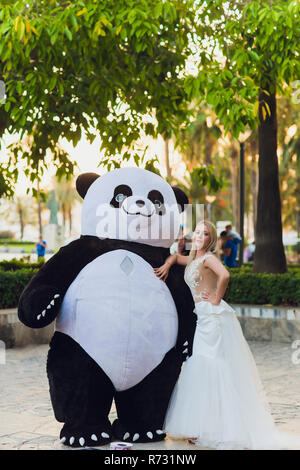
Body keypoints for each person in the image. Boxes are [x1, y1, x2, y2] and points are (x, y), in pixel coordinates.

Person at [153, 220, 298, 450]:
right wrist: (169, 263)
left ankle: (217, 428)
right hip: (203, 316)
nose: (200, 236)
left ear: (210, 239)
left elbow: (225, 275)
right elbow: (178, 258)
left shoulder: (209, 258)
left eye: (205, 234)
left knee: (212, 366)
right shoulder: (194, 259)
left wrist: (217, 298)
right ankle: (200, 425)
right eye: (198, 232)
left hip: (213, 318)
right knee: (199, 365)